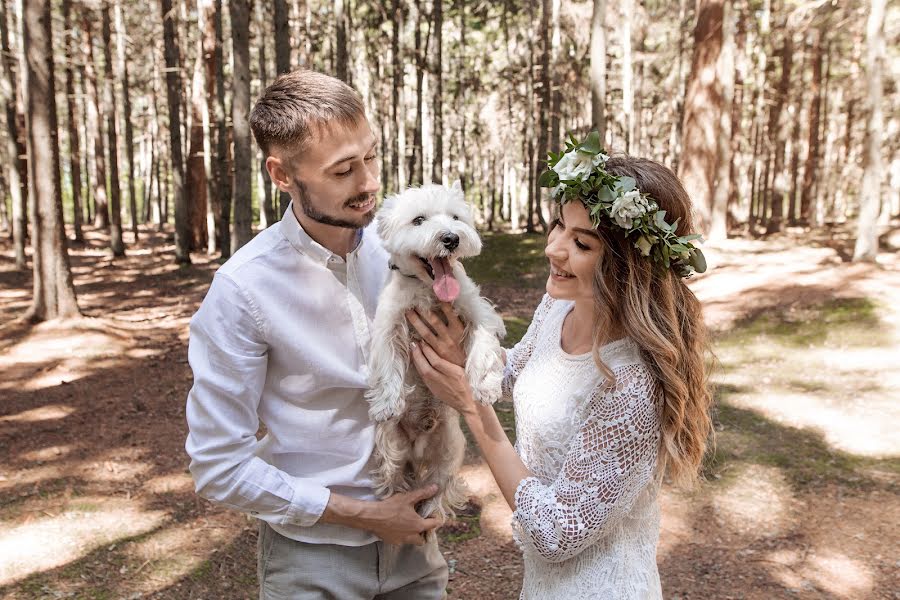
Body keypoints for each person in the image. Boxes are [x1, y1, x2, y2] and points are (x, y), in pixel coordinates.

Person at [406, 132, 713, 599]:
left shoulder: (630, 383)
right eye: (558, 226)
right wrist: (463, 347)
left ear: (628, 264)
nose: (554, 248)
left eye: (582, 244)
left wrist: (473, 410)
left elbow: (556, 532)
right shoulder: (559, 309)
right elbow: (512, 375)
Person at [184, 69, 449, 599]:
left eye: (371, 156)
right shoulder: (243, 289)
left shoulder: (406, 247)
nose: (370, 182)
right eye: (344, 170)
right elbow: (217, 466)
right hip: (311, 561)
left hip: (419, 548)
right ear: (281, 175)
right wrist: (366, 516)